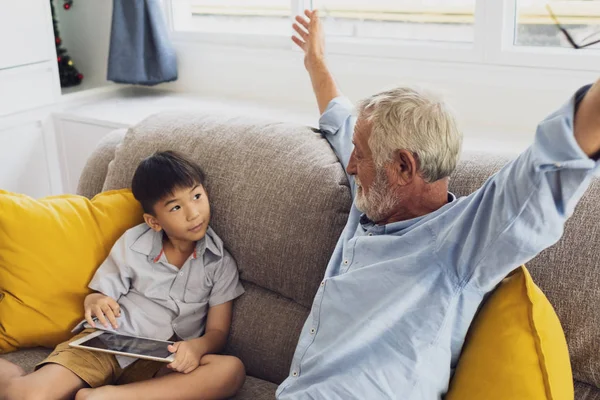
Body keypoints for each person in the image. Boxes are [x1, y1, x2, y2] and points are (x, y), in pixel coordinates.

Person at [277, 9, 600, 400]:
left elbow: (551, 161)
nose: (349, 163)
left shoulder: (460, 243)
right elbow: (341, 120)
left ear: (402, 166)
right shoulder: (376, 196)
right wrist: (316, 61)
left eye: (358, 156)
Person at [0, 151, 246, 400]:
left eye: (196, 196)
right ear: (154, 222)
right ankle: (13, 377)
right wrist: (95, 300)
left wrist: (196, 347)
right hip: (110, 341)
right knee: (25, 395)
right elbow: (100, 295)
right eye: (175, 207)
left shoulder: (220, 263)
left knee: (231, 369)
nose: (193, 213)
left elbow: (217, 332)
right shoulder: (133, 243)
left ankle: (112, 396)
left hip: (164, 360)